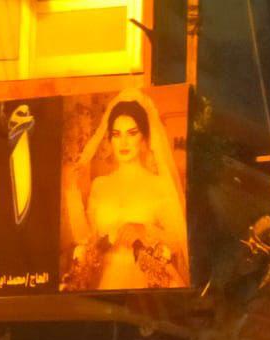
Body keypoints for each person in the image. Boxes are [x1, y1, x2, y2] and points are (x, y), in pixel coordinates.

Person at [64, 91, 189, 291]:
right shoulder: (100, 185)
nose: (123, 142)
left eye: (132, 133)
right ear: (110, 140)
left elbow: (178, 240)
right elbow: (85, 240)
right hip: (104, 284)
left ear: (144, 138)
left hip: (145, 285)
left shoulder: (159, 185)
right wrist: (72, 193)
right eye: (116, 134)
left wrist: (145, 230)